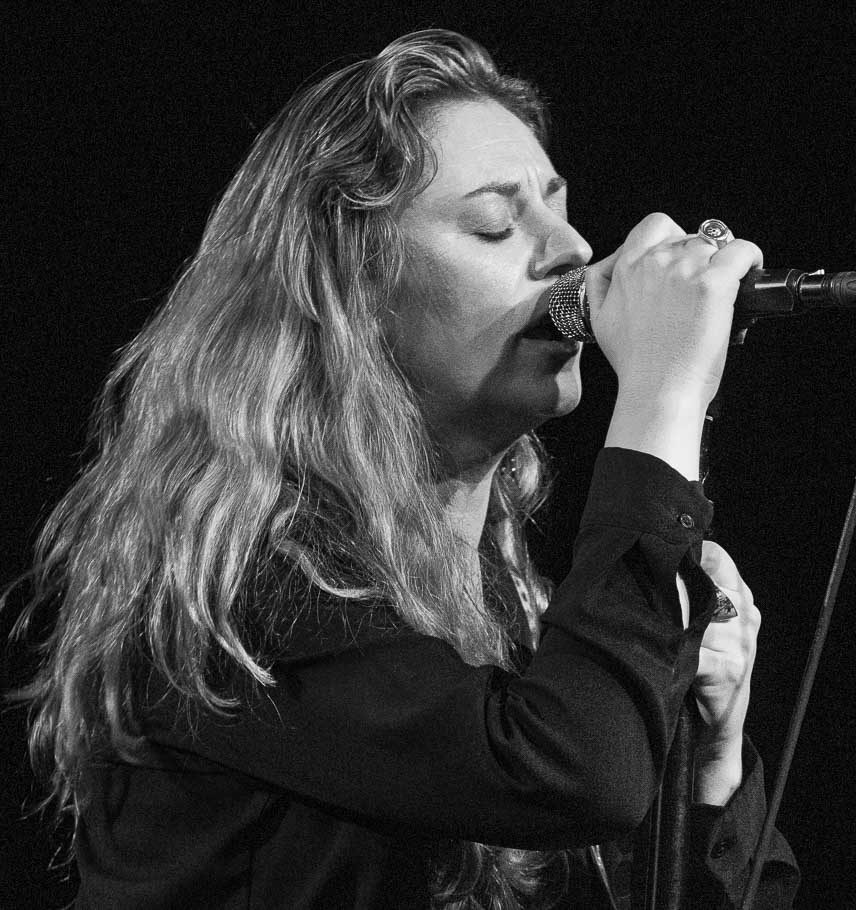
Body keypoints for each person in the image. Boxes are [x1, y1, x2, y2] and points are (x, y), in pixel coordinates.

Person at [9, 29, 798, 909]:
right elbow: (574, 776)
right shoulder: (241, 589)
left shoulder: (514, 621)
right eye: (497, 223)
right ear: (354, 289)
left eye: (557, 205)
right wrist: (662, 397)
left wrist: (711, 770)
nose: (574, 247)